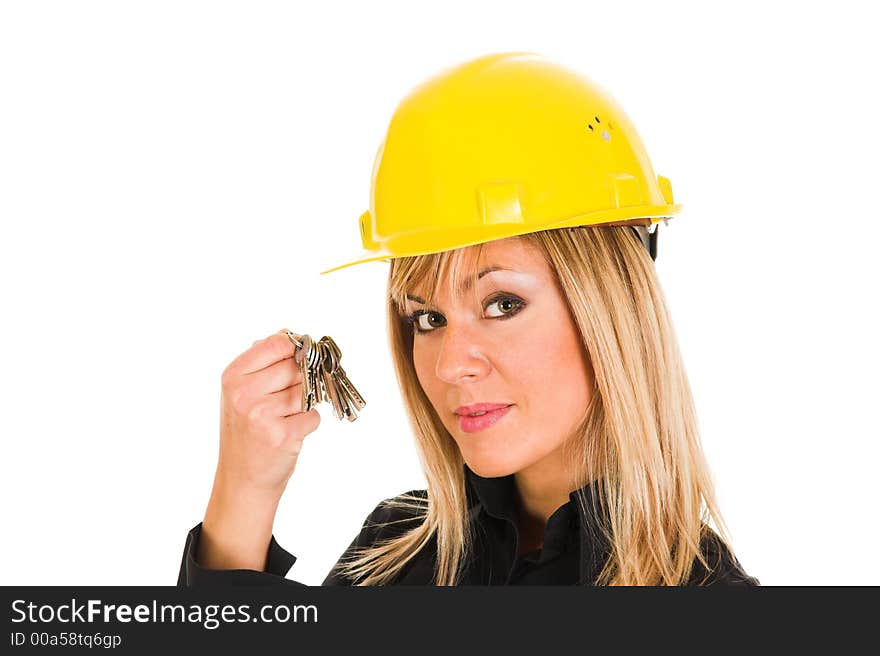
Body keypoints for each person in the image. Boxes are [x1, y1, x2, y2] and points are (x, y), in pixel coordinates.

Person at [178, 52, 759, 586]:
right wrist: (244, 493)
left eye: (502, 304)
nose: (453, 365)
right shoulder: (394, 555)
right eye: (428, 318)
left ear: (612, 309)